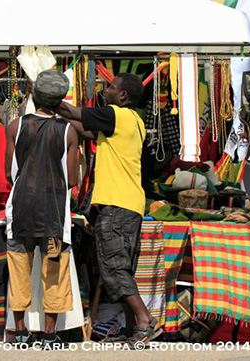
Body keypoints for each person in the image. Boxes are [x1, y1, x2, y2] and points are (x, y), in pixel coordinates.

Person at [56, 73, 161, 345]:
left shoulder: (116, 115)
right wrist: (61, 118)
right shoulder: (133, 121)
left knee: (114, 269)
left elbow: (71, 110)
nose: (106, 90)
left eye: (111, 87)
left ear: (123, 95)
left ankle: (144, 320)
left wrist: (47, 97)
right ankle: (130, 329)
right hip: (130, 204)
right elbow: (83, 129)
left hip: (116, 204)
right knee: (121, 269)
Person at [5, 69, 79, 349]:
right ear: (60, 100)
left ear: (34, 98)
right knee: (54, 274)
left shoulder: (16, 126)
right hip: (53, 213)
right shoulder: (69, 131)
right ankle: (49, 335)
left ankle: (21, 332)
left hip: (21, 209)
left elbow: (9, 173)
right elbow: (71, 179)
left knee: (19, 270)